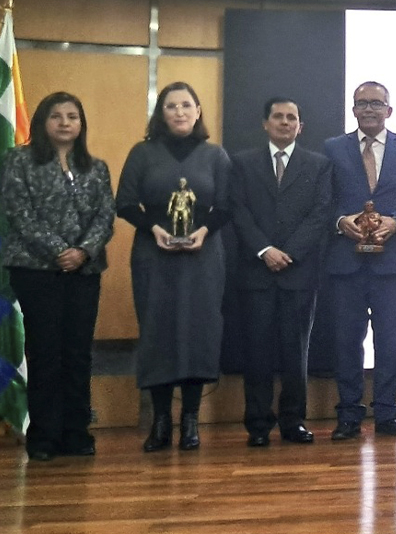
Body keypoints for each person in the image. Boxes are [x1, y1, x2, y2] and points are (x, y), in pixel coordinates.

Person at [117, 81, 232, 451]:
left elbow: (228, 206)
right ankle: (162, 421)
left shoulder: (215, 155)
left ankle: (191, 421)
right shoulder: (142, 152)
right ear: (160, 113)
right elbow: (125, 203)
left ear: (198, 111)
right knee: (158, 333)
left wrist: (202, 231)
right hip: (155, 256)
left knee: (199, 332)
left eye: (186, 105)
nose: (179, 112)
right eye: (171, 106)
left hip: (203, 256)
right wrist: (153, 230)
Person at [0, 92, 115, 461]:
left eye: (72, 116)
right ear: (41, 122)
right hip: (36, 271)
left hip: (85, 272)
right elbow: (19, 211)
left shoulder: (95, 167)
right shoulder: (18, 161)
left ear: (81, 124)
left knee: (78, 353)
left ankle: (76, 432)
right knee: (45, 351)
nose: (65, 122)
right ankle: (44, 436)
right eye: (56, 116)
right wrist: (57, 251)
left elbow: (105, 216)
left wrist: (82, 252)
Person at [324, 81, 396, 440]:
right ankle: (349, 415)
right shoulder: (332, 148)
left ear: (389, 110)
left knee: (390, 341)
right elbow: (322, 202)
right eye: (361, 103)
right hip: (345, 263)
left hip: (393, 263)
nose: (369, 109)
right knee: (347, 342)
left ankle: (387, 413)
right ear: (353, 110)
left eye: (376, 103)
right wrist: (340, 222)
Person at [230, 97, 333, 447]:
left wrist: (289, 252)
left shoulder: (318, 165)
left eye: (292, 117)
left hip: (299, 272)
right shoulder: (242, 163)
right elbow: (238, 211)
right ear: (265, 123)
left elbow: (320, 214)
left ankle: (293, 422)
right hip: (256, 272)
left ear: (300, 126)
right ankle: (258, 425)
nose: (285, 122)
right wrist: (264, 250)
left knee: (296, 352)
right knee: (256, 352)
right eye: (278, 116)